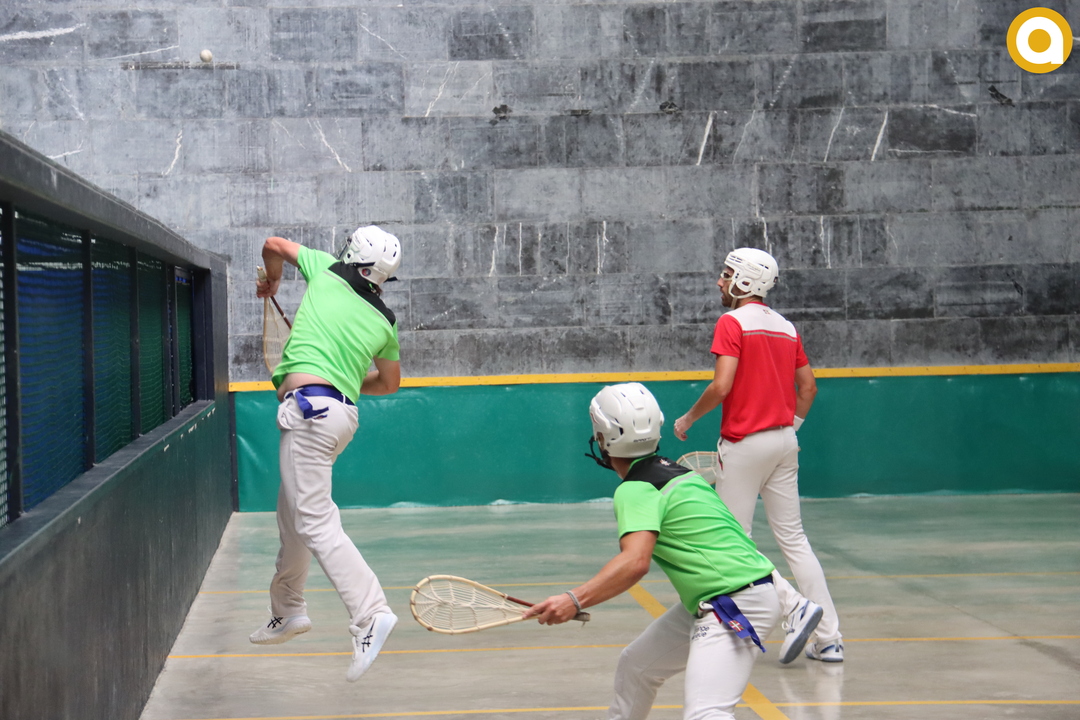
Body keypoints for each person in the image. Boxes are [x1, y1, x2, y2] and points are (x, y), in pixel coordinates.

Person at [525, 382, 786, 720]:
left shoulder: (635, 488)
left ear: (601, 438)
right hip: (735, 594)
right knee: (637, 666)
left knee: (707, 713)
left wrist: (573, 600)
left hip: (733, 603)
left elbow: (635, 562)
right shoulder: (683, 475)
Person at [672, 247, 843, 664]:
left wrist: (688, 418)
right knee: (795, 540)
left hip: (745, 444)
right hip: (784, 442)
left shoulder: (730, 322)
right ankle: (830, 640)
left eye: (726, 274)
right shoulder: (786, 327)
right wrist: (789, 428)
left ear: (745, 281)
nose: (719, 281)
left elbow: (722, 385)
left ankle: (792, 609)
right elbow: (808, 388)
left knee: (735, 540)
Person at [249, 226, 403, 682]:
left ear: (350, 254)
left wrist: (272, 281)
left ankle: (371, 612)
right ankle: (288, 610)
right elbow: (390, 383)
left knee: (314, 520)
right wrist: (343, 379)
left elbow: (273, 246)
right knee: (293, 516)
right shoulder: (385, 321)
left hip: (310, 415)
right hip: (340, 417)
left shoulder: (326, 269)